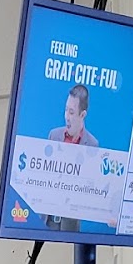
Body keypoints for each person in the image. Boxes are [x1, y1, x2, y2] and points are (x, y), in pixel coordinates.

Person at [46, 83, 99, 232]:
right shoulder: (54, 136)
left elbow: (90, 187)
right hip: (46, 219)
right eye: (65, 110)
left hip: (70, 224)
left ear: (82, 115)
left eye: (71, 112)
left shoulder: (92, 145)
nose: (66, 117)